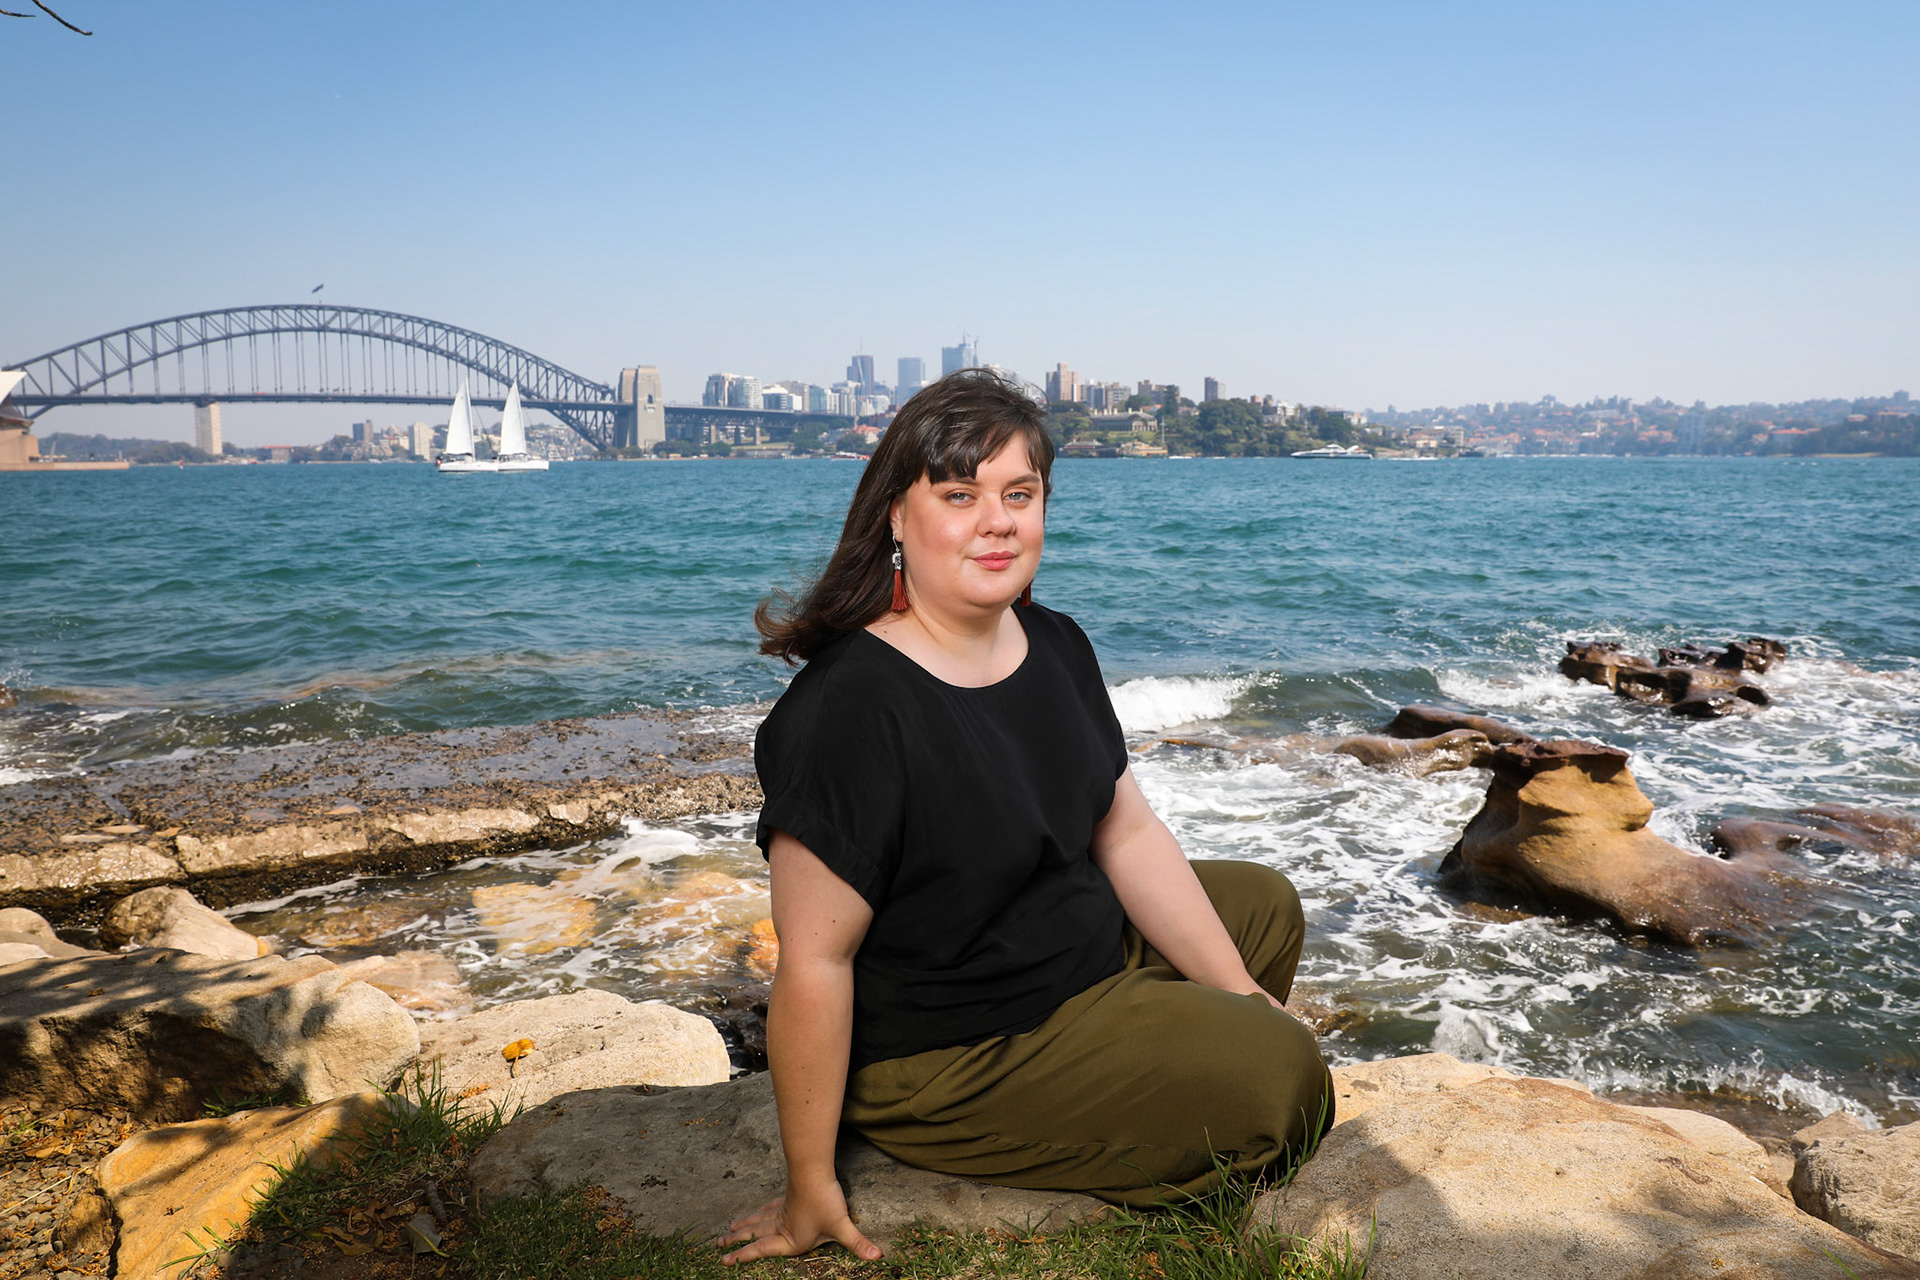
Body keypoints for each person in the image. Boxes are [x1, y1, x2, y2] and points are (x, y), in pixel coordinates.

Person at [718, 370, 1332, 1266]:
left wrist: (1242, 995)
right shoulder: (848, 710)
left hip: (1068, 957)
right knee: (1284, 1080)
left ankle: (1165, 1043)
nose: (998, 521)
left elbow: (1125, 832)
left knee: (1263, 904)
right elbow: (816, 960)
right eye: (959, 495)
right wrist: (810, 1182)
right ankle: (1133, 1084)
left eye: (1019, 494)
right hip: (954, 1048)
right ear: (896, 517)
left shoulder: (1055, 642)